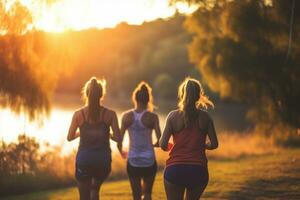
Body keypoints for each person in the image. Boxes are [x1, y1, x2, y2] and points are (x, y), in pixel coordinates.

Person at [160, 77, 218, 200]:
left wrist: (170, 145)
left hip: (175, 170)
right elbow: (214, 144)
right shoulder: (205, 117)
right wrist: (203, 145)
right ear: (199, 96)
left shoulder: (172, 116)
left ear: (182, 95)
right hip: (198, 171)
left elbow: (163, 145)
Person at [67, 77, 122, 200]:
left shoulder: (78, 114)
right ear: (101, 95)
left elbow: (69, 137)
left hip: (84, 162)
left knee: (84, 197)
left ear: (87, 94)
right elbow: (119, 138)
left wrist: (80, 133)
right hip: (103, 163)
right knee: (94, 190)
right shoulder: (110, 114)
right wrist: (109, 135)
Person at [120, 81, 161, 200]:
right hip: (149, 160)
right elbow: (160, 140)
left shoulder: (126, 116)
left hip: (133, 160)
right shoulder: (153, 117)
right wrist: (154, 144)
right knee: (147, 194)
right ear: (148, 100)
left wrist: (121, 151)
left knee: (136, 196)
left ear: (135, 98)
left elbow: (119, 139)